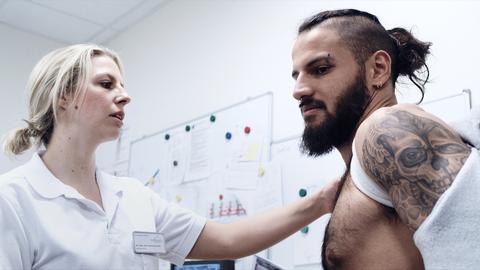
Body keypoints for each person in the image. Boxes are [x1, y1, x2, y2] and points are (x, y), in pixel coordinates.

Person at [0, 44, 341, 270]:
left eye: (122, 85)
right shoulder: (13, 199)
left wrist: (322, 201)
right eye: (106, 84)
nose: (125, 96)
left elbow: (229, 241)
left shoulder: (133, 198)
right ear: (63, 96)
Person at [291, 9, 479, 270]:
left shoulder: (389, 129)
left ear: (378, 69)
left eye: (320, 69)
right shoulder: (367, 160)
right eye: (296, 75)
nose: (298, 90)